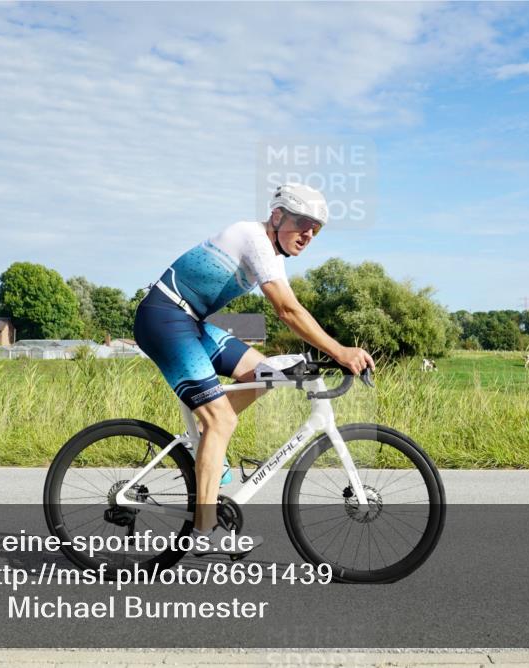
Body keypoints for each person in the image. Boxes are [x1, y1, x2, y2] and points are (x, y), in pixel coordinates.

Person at [133, 183, 375, 557]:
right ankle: (204, 530)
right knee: (222, 422)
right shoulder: (252, 237)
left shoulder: (272, 257)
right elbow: (287, 310)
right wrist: (340, 351)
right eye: (302, 223)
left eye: (316, 229)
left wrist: (312, 355)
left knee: (267, 374)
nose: (308, 235)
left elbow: (293, 309)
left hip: (190, 322)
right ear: (277, 216)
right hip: (164, 317)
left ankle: (206, 440)